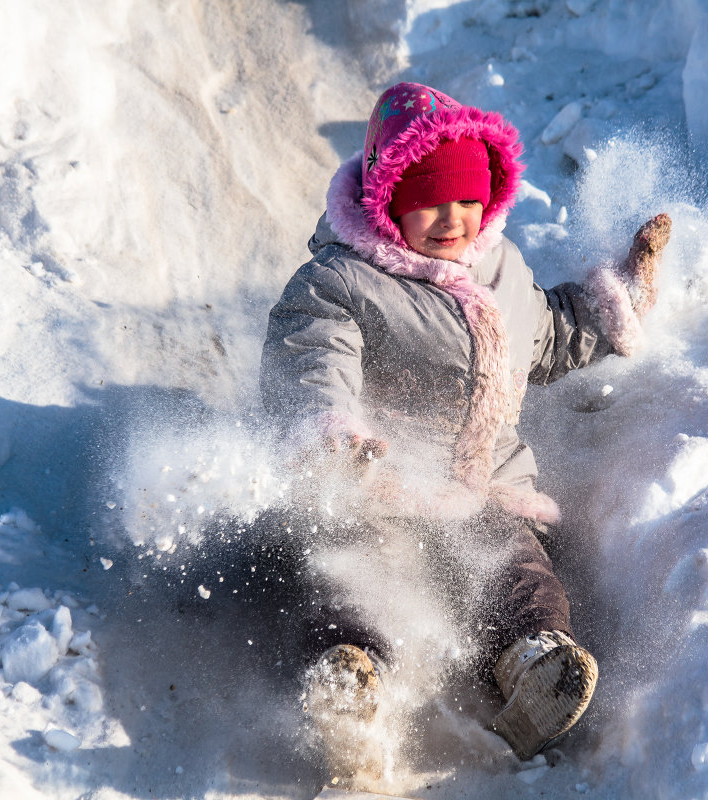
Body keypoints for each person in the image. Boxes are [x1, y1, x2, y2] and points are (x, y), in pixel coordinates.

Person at [258, 82, 670, 781]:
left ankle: (536, 668)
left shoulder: (501, 270)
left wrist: (618, 300)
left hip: (486, 495)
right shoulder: (340, 282)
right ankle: (350, 686)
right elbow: (312, 359)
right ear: (386, 199)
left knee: (519, 574)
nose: (453, 218)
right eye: (429, 199)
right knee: (356, 577)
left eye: (467, 198)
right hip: (374, 488)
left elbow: (550, 335)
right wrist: (331, 432)